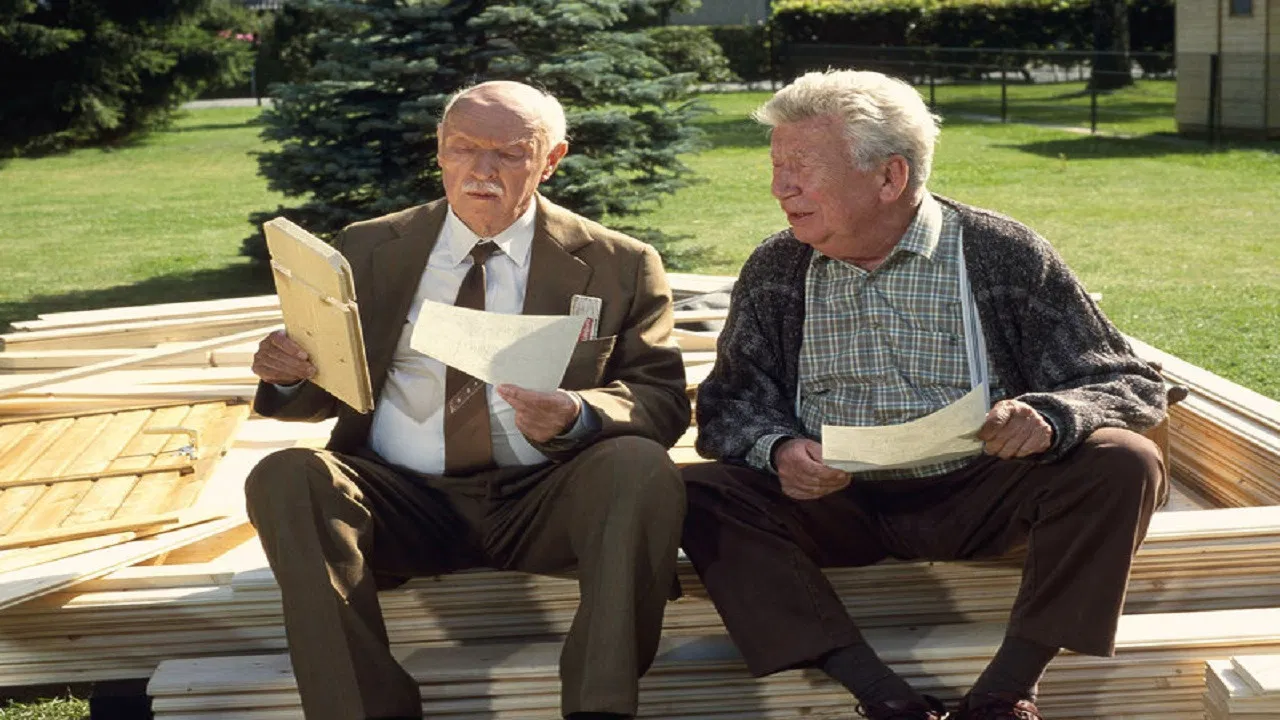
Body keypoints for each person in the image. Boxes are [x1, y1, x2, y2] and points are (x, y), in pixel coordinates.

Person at [682, 69, 1168, 720]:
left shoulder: (1001, 252)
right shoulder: (778, 267)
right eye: (776, 167)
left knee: (1124, 461)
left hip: (981, 494)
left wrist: (1053, 417)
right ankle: (881, 696)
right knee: (702, 493)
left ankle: (1005, 693)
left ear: (890, 177)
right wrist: (778, 450)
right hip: (836, 503)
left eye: (802, 168)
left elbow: (1127, 381)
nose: (780, 188)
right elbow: (726, 406)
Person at [245, 80, 690, 720]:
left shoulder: (619, 262)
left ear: (551, 159)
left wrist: (579, 414)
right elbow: (317, 393)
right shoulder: (368, 248)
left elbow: (661, 400)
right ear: (439, 150)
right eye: (462, 148)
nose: (481, 169)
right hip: (402, 499)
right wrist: (288, 373)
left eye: (508, 154)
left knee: (641, 466)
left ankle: (600, 708)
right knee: (286, 475)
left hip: (543, 500)